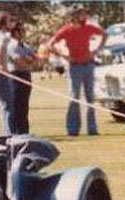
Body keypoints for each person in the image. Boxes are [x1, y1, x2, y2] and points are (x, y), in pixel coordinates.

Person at [48, 5, 107, 136]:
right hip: (74, 67)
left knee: (90, 98)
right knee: (74, 98)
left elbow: (105, 34)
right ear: (74, 16)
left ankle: (92, 129)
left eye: (85, 13)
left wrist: (96, 51)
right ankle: (73, 130)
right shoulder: (66, 30)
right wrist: (64, 56)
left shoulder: (89, 28)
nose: (84, 16)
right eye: (81, 13)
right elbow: (50, 44)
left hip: (88, 66)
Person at [8, 22, 36, 134]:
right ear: (16, 32)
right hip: (16, 77)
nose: (24, 33)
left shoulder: (25, 46)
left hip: (26, 76)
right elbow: (19, 62)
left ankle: (24, 132)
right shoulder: (12, 45)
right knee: (15, 106)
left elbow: (35, 59)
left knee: (24, 107)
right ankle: (14, 132)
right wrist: (27, 60)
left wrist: (28, 60)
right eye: (22, 30)